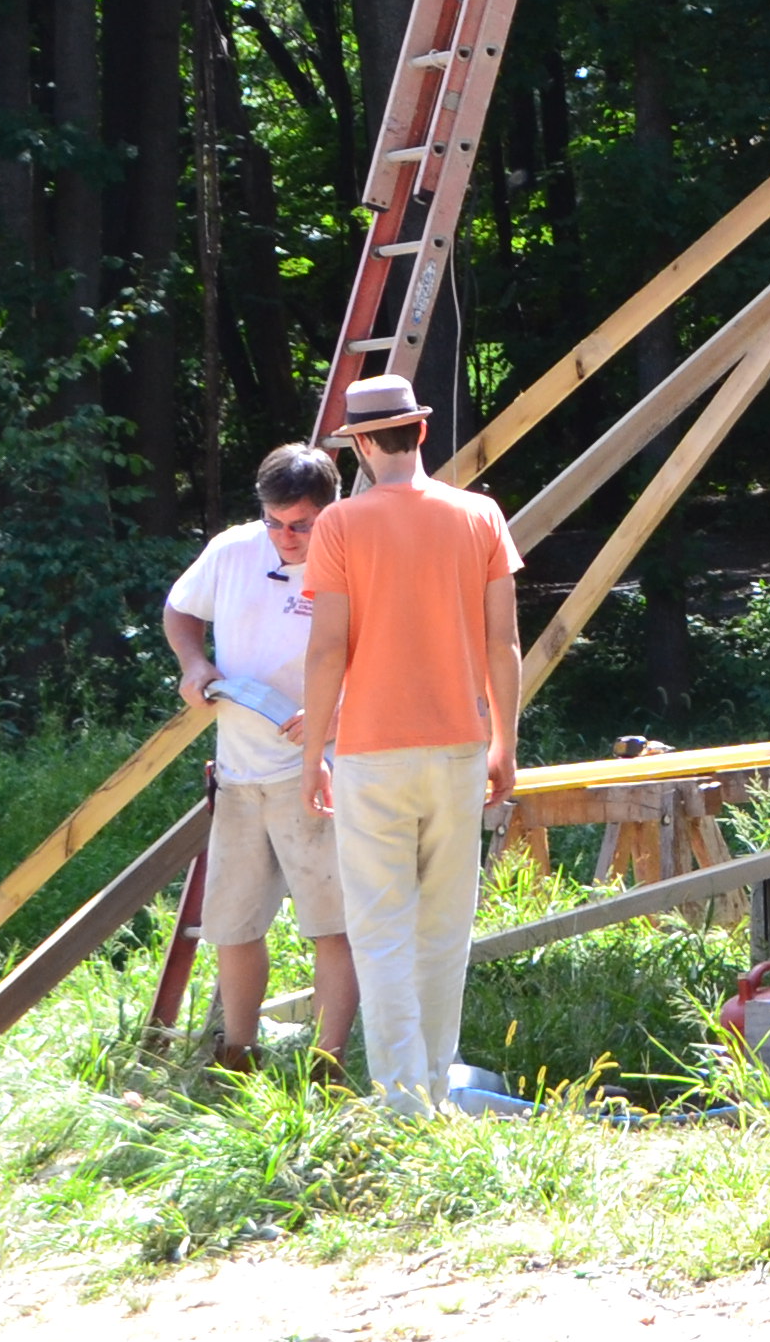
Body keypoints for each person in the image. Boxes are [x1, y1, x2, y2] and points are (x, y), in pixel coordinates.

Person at [301, 374, 524, 1116]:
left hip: (370, 751)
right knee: (444, 928)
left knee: (381, 929)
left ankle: (402, 1104)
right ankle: (432, 1086)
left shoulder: (338, 525)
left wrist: (313, 760)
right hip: (461, 746)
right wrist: (507, 746)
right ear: (421, 432)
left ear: (361, 445)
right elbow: (505, 644)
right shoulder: (480, 515)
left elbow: (328, 650)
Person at [165, 442, 361, 1074]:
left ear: (328, 512)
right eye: (274, 522)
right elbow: (180, 610)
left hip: (318, 769)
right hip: (239, 771)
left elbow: (385, 650)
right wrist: (194, 664)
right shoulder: (231, 550)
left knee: (331, 925)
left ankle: (327, 1064)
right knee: (232, 925)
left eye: (299, 525)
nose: (285, 537)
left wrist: (336, 710)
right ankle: (237, 1055)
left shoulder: (355, 554)